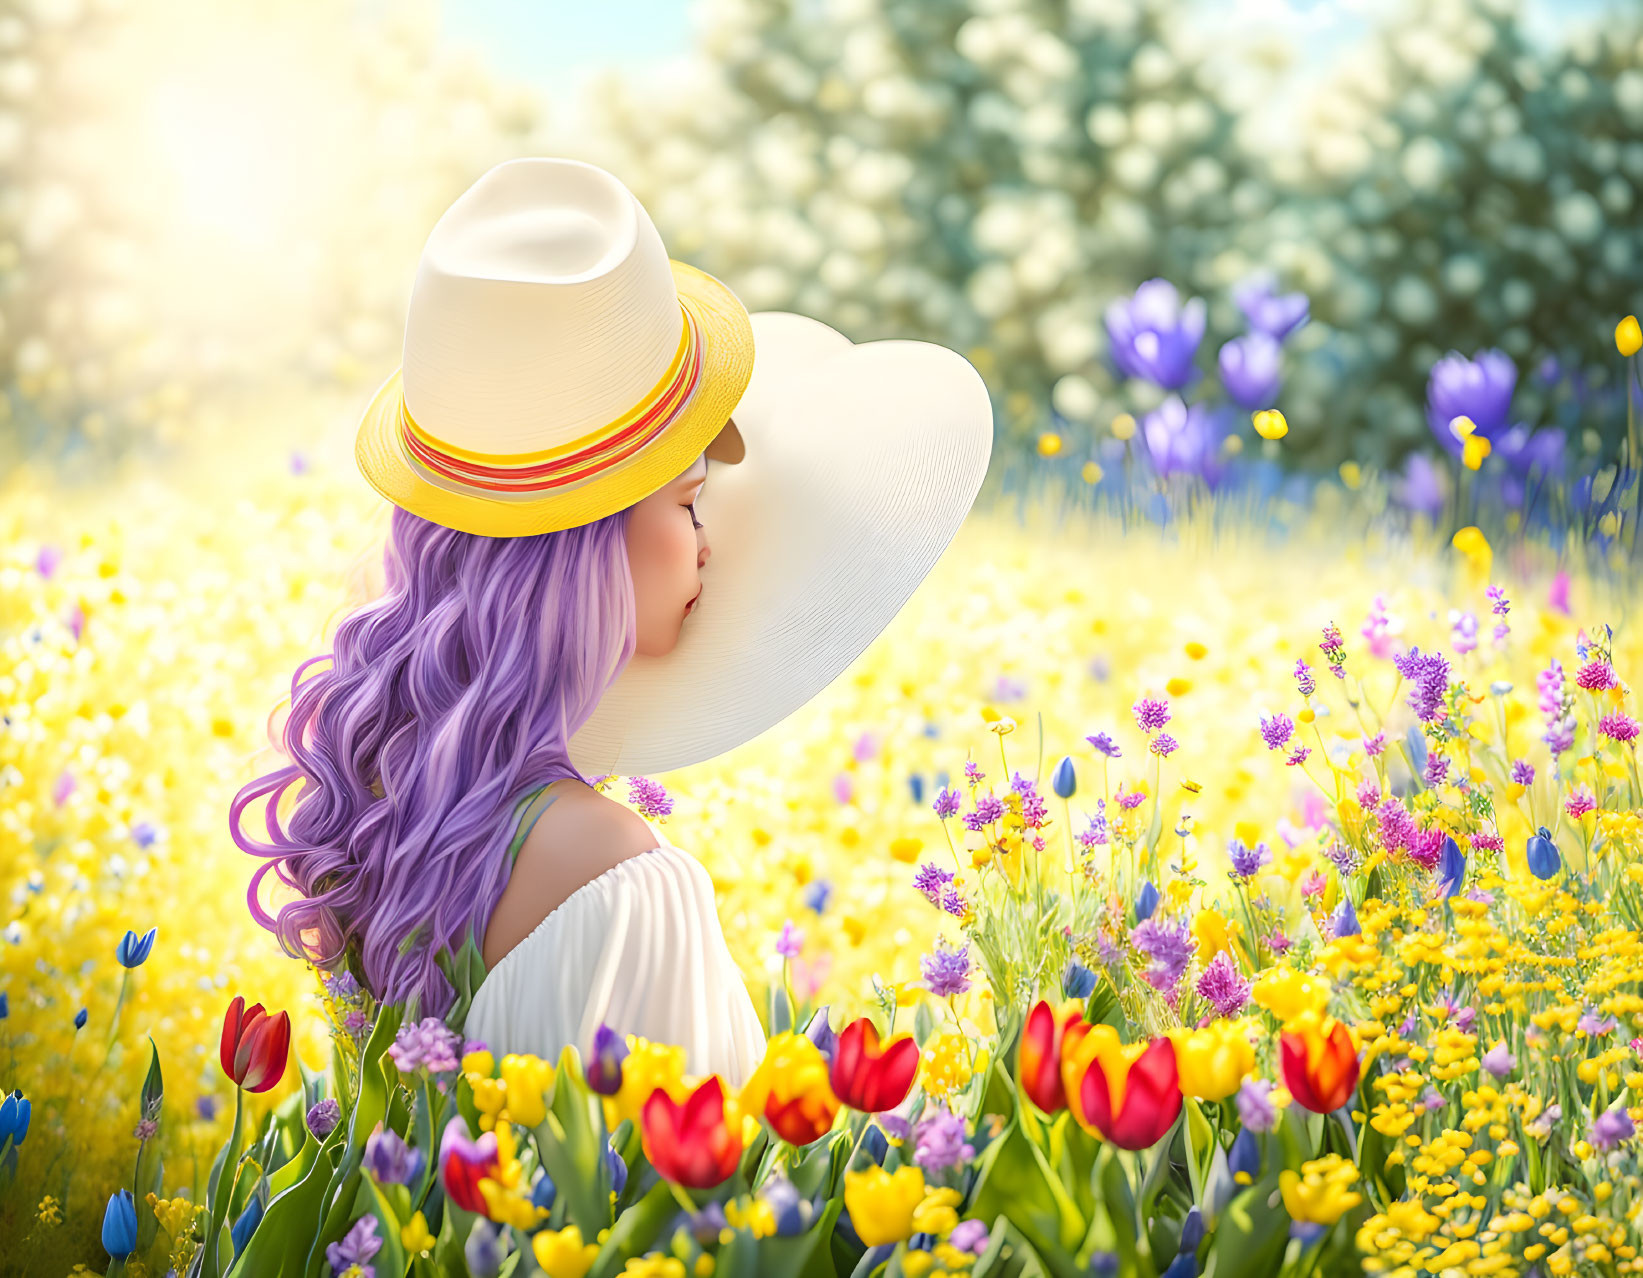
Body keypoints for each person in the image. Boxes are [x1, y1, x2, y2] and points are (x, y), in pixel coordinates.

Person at [230, 156, 993, 1087]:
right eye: (687, 501)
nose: (708, 544)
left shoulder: (391, 808)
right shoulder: (613, 869)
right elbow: (706, 1190)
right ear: (582, 555)